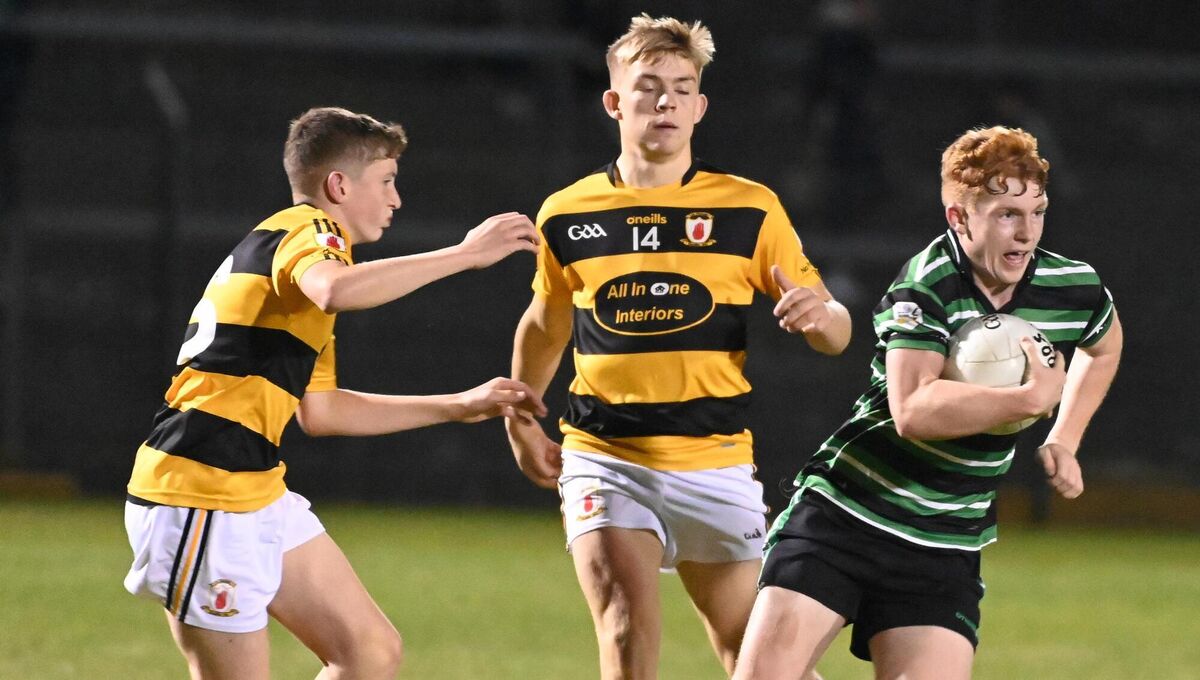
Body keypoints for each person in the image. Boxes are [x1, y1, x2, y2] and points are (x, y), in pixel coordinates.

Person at [123, 106, 545, 680]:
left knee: (370, 652)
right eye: (388, 182)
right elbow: (334, 290)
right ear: (338, 186)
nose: (396, 200)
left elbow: (322, 412)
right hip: (200, 492)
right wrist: (466, 254)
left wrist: (458, 404)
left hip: (253, 489)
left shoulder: (297, 265)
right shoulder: (310, 232)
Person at [504, 14, 852, 679]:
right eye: (647, 87)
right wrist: (521, 418)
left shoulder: (749, 209)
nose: (665, 102)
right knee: (626, 631)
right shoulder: (568, 213)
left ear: (700, 106)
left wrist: (823, 315)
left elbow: (836, 331)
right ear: (614, 101)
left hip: (714, 461)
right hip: (606, 456)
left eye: (681, 88)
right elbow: (544, 324)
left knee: (754, 657)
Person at [734, 126, 1123, 680]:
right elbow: (913, 410)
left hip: (943, 543)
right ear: (959, 218)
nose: (1027, 231)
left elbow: (1105, 345)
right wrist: (1028, 399)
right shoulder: (928, 283)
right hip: (848, 514)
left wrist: (1066, 435)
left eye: (1036, 211)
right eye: (1006, 214)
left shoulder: (1071, 285)